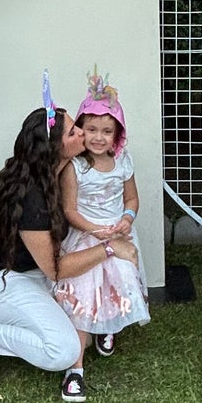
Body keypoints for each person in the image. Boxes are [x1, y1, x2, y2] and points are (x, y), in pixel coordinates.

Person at [0, 82, 138, 403]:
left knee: (80, 335)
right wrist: (111, 248)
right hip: (0, 281)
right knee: (64, 351)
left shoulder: (59, 175)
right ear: (54, 147)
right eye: (74, 133)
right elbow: (56, 270)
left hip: (33, 277)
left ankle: (9, 325)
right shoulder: (32, 197)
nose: (83, 135)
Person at [54, 68, 149, 359]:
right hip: (87, 232)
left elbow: (131, 197)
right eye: (92, 130)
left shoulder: (122, 162)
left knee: (118, 280)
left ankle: (109, 324)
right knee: (89, 285)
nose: (98, 138)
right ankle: (87, 326)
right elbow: (69, 209)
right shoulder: (77, 167)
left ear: (117, 134)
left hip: (117, 230)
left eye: (107, 132)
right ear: (82, 129)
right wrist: (94, 229)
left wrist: (127, 218)